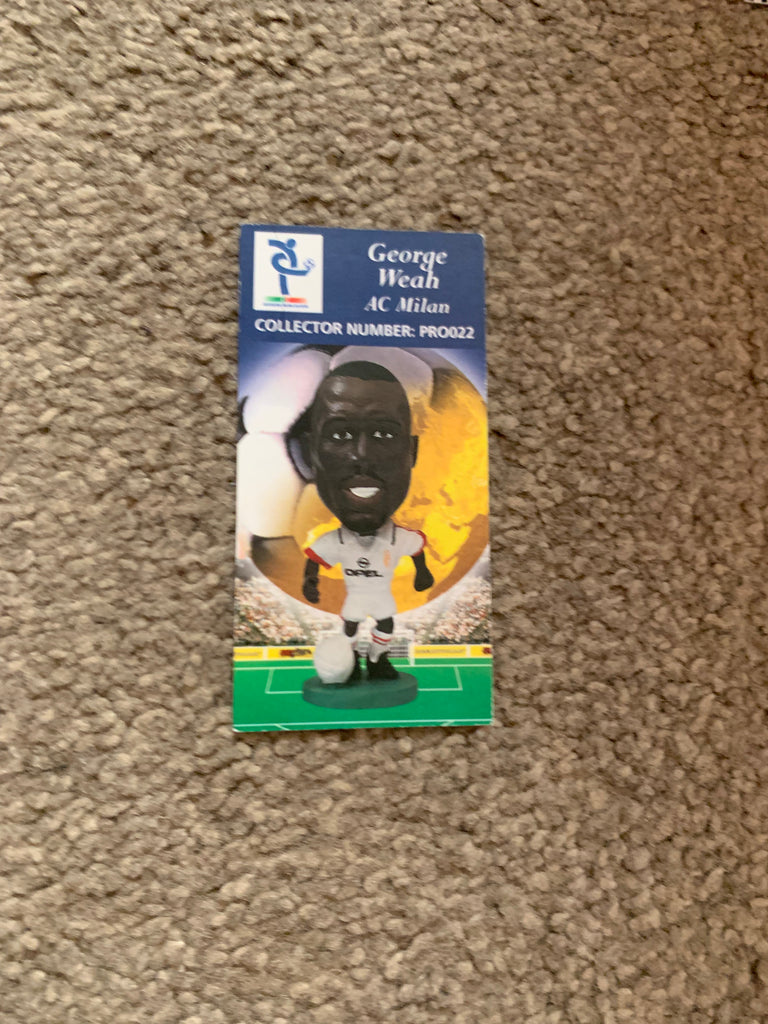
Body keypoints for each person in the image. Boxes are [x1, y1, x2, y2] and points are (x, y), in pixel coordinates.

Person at [301, 361, 434, 681]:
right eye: (340, 434)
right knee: (350, 626)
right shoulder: (337, 540)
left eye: (383, 434)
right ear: (310, 452)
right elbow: (316, 556)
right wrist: (310, 580)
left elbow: (416, 549)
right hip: (356, 599)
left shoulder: (397, 537)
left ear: (412, 452)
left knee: (385, 624)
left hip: (381, 597)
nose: (361, 454)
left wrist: (422, 573)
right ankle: (350, 661)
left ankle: (377, 659)